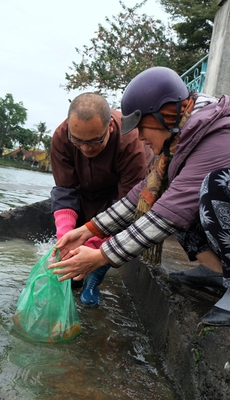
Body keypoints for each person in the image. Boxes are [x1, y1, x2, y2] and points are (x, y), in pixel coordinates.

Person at [50, 67, 230, 325]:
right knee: (172, 198)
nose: (140, 137)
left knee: (218, 187)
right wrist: (87, 230)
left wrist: (101, 257)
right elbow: (139, 198)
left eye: (142, 126)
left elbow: (168, 214)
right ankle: (221, 271)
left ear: (164, 116)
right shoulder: (177, 148)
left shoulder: (217, 138)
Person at [50, 92, 153, 306]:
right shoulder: (61, 138)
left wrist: (95, 245)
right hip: (85, 189)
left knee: (106, 236)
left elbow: (126, 206)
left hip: (123, 193)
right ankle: (77, 274)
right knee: (77, 232)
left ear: (110, 129)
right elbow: (65, 189)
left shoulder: (130, 143)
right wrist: (65, 237)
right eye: (78, 142)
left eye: (95, 141)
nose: (86, 149)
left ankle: (94, 279)